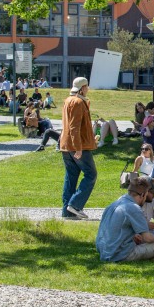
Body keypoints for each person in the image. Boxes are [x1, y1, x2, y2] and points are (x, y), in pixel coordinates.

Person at [95, 177, 154, 262]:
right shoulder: (134, 208)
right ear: (142, 195)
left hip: (104, 251)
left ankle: (153, 256)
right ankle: (153, 256)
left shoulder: (114, 204)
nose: (145, 199)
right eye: (145, 196)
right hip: (119, 254)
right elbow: (147, 238)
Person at [59, 77, 97, 219]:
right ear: (82, 88)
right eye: (86, 86)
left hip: (66, 145)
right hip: (77, 146)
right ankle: (75, 205)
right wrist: (78, 148)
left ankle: (67, 212)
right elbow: (74, 127)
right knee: (91, 174)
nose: (88, 89)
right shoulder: (78, 102)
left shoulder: (68, 100)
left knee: (71, 176)